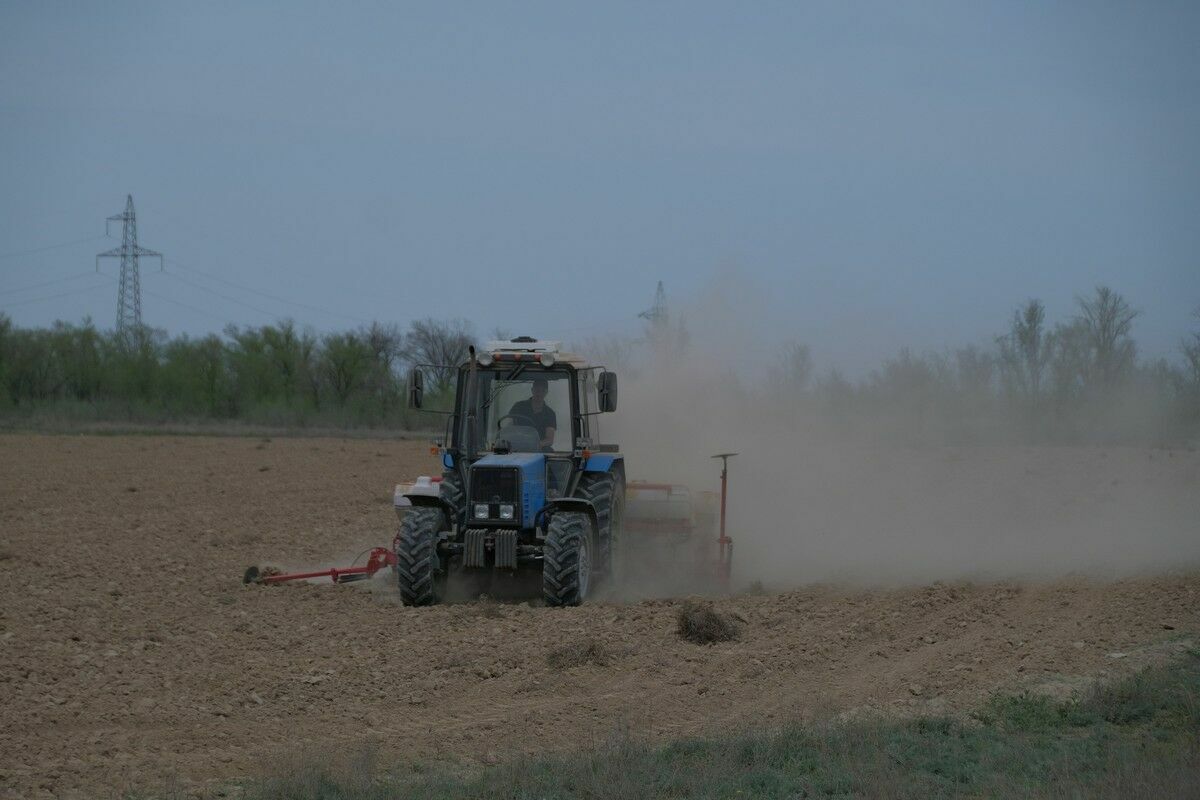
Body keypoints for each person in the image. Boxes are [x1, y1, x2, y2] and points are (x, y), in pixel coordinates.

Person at [507, 378, 557, 450]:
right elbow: (508, 426)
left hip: (538, 449)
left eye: (543, 391)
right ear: (532, 390)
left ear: (546, 392)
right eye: (537, 390)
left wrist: (537, 444)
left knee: (549, 450)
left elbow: (549, 439)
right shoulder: (518, 406)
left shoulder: (550, 414)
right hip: (516, 447)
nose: (539, 393)